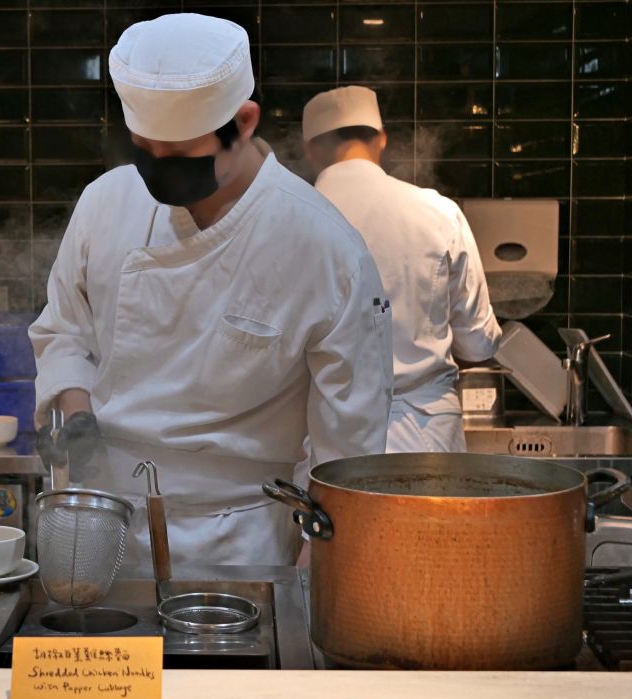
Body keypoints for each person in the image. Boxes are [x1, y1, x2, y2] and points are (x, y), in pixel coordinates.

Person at [30, 14, 393, 571]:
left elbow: (349, 446)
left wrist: (311, 577)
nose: (156, 170)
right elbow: (64, 330)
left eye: (179, 153)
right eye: (143, 149)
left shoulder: (324, 248)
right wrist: (75, 409)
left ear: (244, 122)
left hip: (244, 540)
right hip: (108, 529)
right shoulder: (106, 202)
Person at [303, 86, 502, 453]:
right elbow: (479, 343)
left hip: (328, 438)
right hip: (427, 437)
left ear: (311, 149)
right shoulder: (437, 212)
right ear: (380, 140)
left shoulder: (290, 221)